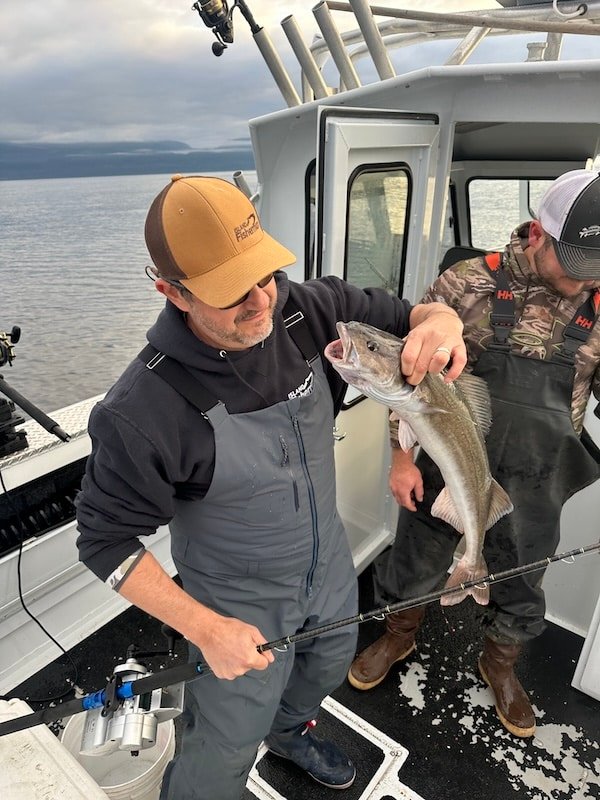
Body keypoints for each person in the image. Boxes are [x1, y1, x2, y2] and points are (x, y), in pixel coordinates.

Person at [75, 174, 466, 800]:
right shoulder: (141, 410)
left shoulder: (308, 310)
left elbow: (412, 315)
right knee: (224, 741)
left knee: (327, 664)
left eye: (264, 273)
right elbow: (102, 541)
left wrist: (442, 319)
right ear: (172, 292)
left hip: (329, 563)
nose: (260, 300)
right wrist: (205, 629)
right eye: (231, 291)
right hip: (236, 599)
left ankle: (290, 733)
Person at [348, 169, 600, 739]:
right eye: (579, 265)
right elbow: (409, 379)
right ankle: (400, 631)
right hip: (446, 464)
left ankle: (500, 663)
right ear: (538, 233)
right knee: (412, 561)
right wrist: (401, 458)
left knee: (524, 582)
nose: (589, 279)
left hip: (538, 478)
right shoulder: (464, 283)